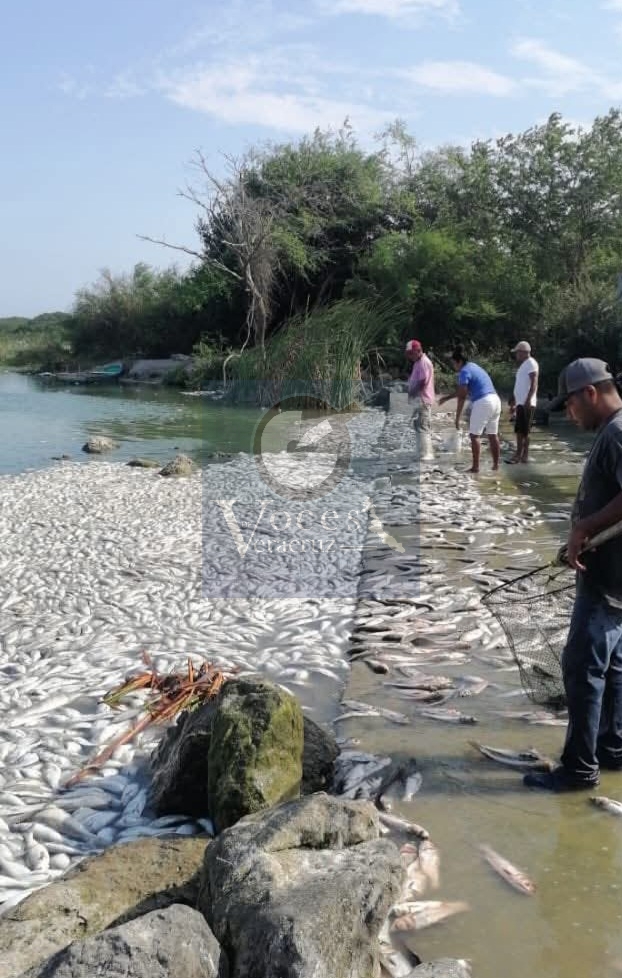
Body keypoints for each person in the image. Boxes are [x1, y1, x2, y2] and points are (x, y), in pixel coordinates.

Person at [524, 358, 622, 791]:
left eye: (570, 405)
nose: (568, 414)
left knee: (582, 666)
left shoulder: (617, 433)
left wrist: (584, 527)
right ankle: (612, 749)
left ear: (591, 394)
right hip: (613, 574)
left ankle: (579, 768)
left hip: (607, 579)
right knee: (615, 665)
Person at [438, 348, 501, 474]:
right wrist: (447, 398)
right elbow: (462, 392)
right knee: (492, 435)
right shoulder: (474, 366)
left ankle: (475, 467)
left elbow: (462, 397)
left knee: (474, 435)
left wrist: (457, 418)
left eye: (454, 363)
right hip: (495, 400)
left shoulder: (464, 372)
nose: (453, 366)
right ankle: (495, 466)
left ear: (459, 361)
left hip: (483, 402)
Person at [507, 340, 539, 464]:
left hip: (527, 403)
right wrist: (515, 403)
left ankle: (523, 456)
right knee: (519, 430)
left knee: (525, 431)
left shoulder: (531, 363)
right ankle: (518, 455)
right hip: (521, 403)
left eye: (517, 352)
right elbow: (519, 386)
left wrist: (527, 400)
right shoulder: (524, 365)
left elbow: (534, 384)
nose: (516, 355)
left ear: (523, 352)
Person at [405, 339, 435, 461]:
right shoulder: (418, 362)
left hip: (423, 399)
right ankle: (420, 451)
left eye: (411, 353)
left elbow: (423, 381)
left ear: (418, 351)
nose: (409, 356)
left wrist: (413, 392)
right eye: (408, 354)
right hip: (418, 400)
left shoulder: (423, 362)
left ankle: (427, 453)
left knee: (423, 426)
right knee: (418, 425)